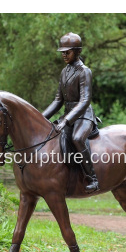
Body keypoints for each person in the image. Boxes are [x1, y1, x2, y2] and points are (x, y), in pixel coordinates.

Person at [42, 32, 99, 193]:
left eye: (68, 52)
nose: (64, 55)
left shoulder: (84, 71)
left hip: (83, 115)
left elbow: (85, 100)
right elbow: (58, 100)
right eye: (63, 52)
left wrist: (66, 121)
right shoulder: (64, 71)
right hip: (67, 116)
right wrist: (40, 118)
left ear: (78, 51)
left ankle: (92, 178)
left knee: (78, 138)